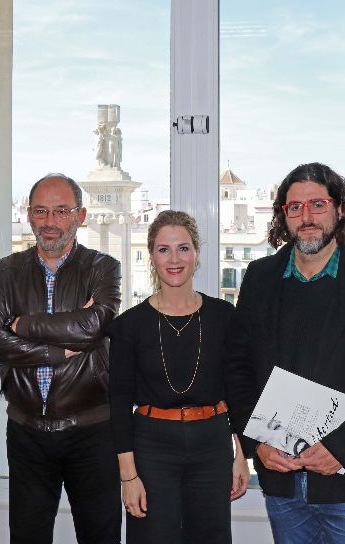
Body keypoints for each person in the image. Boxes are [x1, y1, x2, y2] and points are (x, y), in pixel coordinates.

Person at [225, 162, 345, 544]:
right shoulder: (259, 277)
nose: (306, 216)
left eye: (317, 204)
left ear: (340, 209)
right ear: (283, 215)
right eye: (294, 207)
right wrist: (256, 444)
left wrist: (341, 449)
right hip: (280, 478)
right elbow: (237, 369)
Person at [0, 173, 123, 544]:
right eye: (42, 211)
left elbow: (94, 325)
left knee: (101, 536)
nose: (50, 222)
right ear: (28, 215)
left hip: (91, 433)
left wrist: (22, 324)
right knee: (27, 537)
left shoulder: (103, 268)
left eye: (62, 211)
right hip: (27, 433)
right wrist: (58, 351)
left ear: (81, 215)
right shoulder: (7, 271)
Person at [108, 210, 250, 543]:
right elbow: (118, 402)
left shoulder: (223, 316)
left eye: (183, 248)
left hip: (212, 444)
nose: (175, 259)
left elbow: (238, 390)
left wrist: (242, 456)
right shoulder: (130, 325)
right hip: (152, 447)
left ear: (196, 254)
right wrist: (129, 478)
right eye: (163, 249)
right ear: (152, 257)